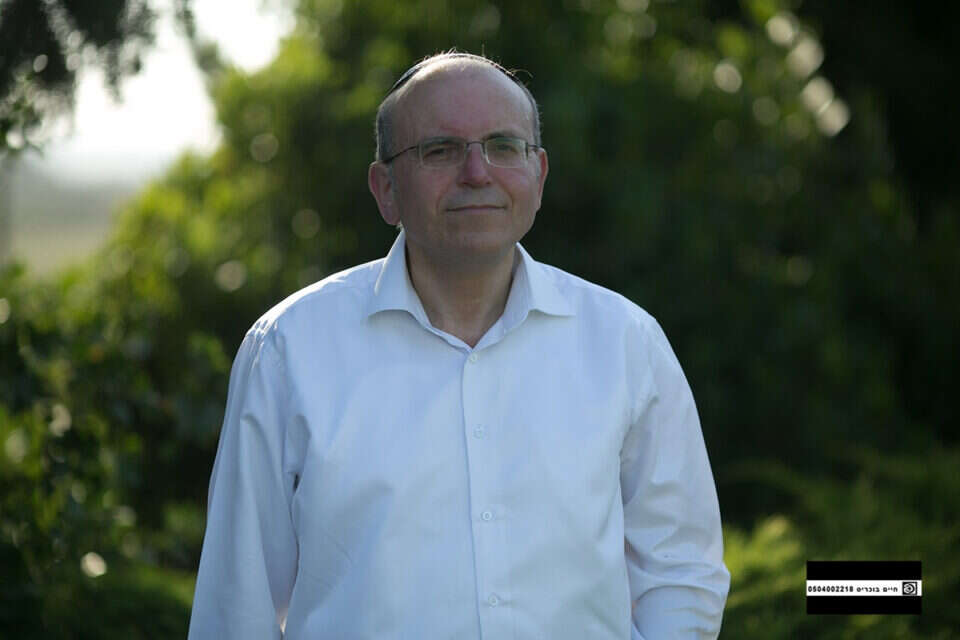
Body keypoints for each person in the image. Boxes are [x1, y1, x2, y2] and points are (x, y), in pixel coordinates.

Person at [188, 51, 730, 639]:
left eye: (503, 146)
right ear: (385, 189)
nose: (477, 172)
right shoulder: (288, 351)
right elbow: (237, 605)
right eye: (440, 150)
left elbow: (681, 569)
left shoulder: (626, 343)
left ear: (538, 175)